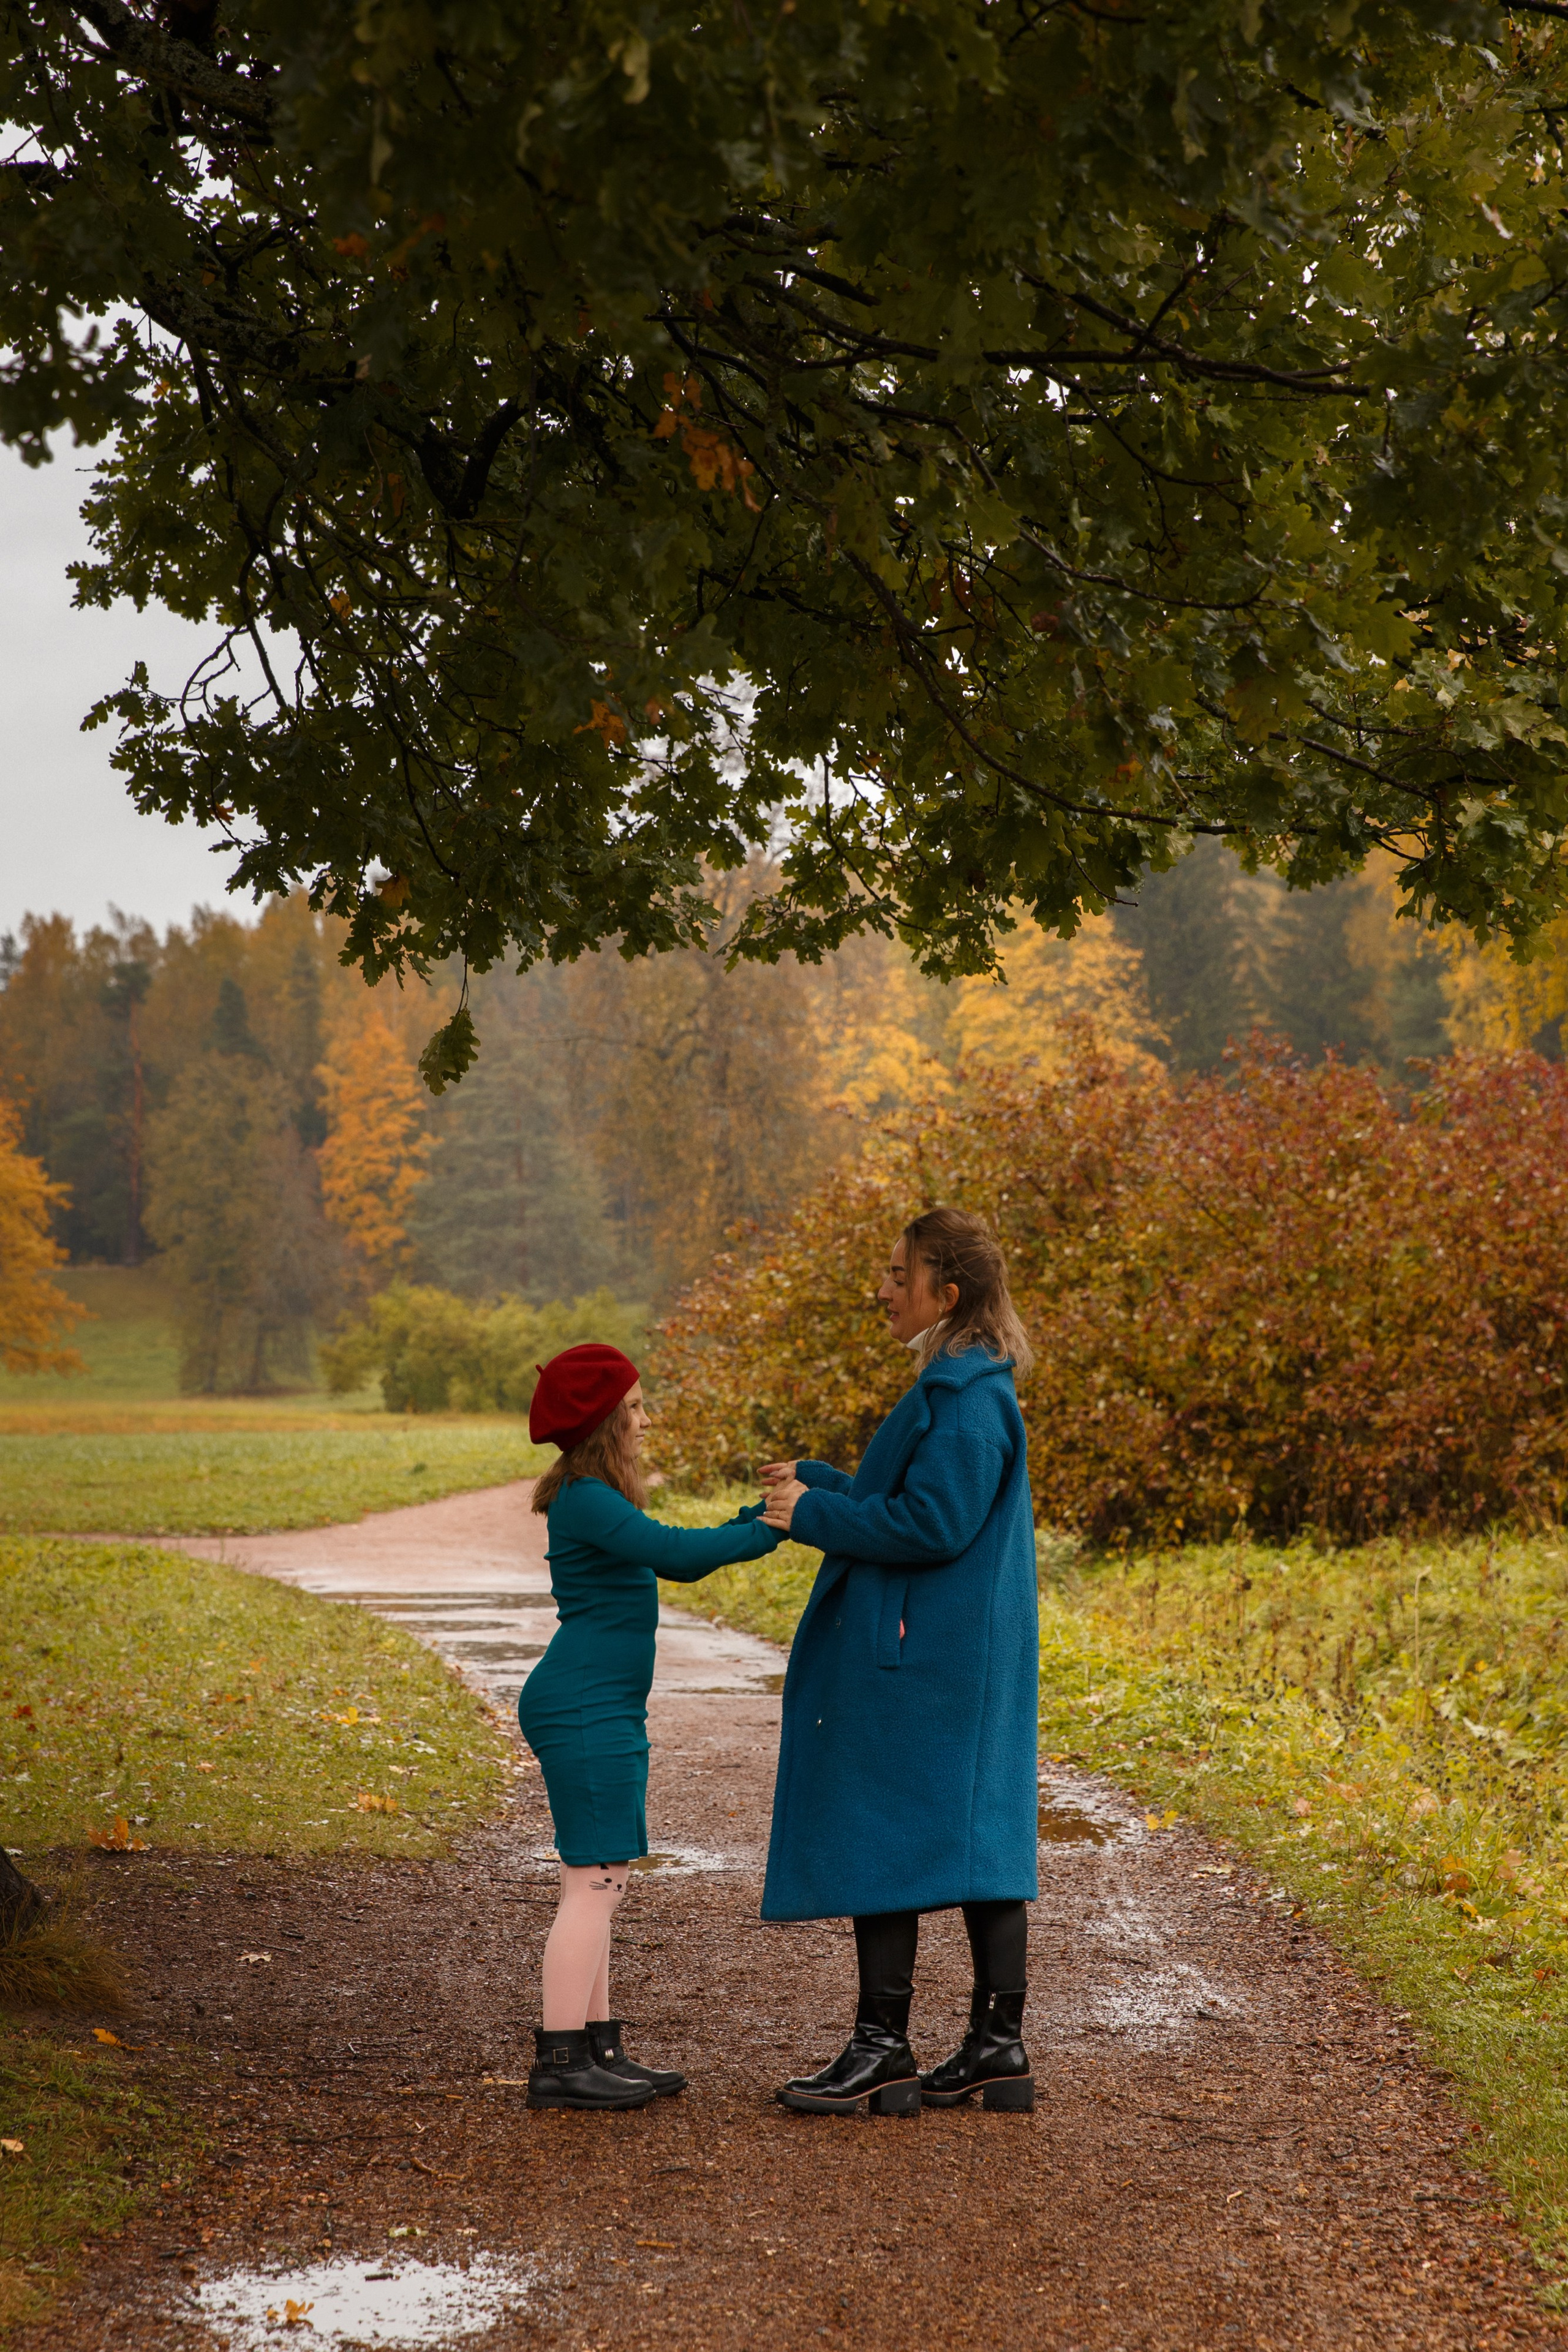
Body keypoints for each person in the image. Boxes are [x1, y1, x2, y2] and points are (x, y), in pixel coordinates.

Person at [759, 1207, 1039, 2117]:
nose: (882, 1286)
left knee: (893, 1834)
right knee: (972, 1839)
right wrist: (826, 1485)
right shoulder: (967, 1389)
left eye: (897, 1273)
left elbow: (931, 1526)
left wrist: (812, 1518)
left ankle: (886, 2049)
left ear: (944, 1294)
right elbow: (915, 1503)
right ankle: (994, 2048)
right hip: (954, 1654)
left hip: (926, 1662)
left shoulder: (963, 1404)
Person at [519, 1341, 781, 2112]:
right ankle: (561, 2063)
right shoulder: (585, 1496)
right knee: (596, 1885)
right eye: (634, 1407)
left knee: (595, 1881)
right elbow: (675, 1556)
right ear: (603, 1420)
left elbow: (669, 1544)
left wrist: (751, 1520)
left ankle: (598, 2048)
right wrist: (772, 1527)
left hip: (596, 1704)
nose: (645, 1419)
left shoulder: (593, 1494)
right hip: (582, 1706)